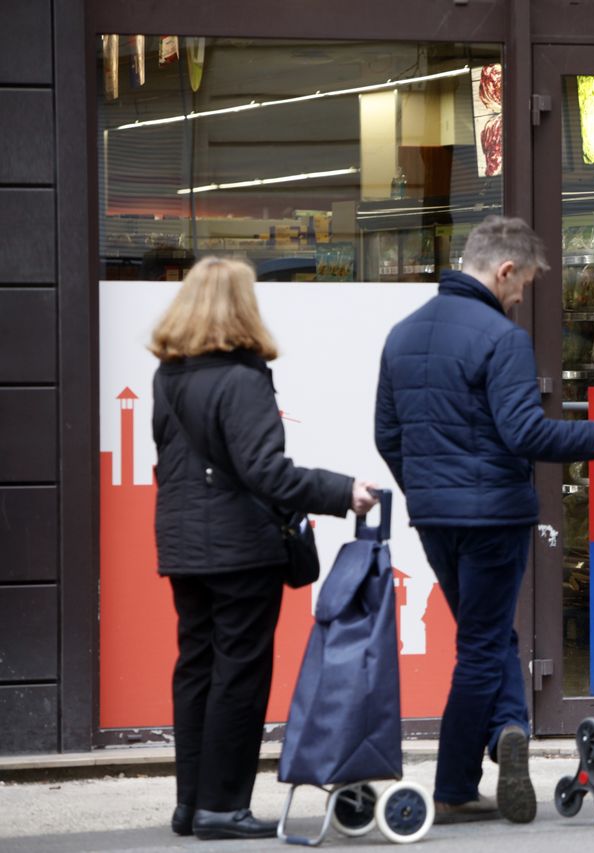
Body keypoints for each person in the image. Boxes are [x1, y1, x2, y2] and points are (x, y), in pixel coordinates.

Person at [375, 216, 594, 824]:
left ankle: (508, 726)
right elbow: (526, 433)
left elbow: (386, 435)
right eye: (522, 283)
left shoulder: (401, 335)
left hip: (436, 519)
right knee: (480, 646)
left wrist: (429, 490)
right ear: (503, 270)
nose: (521, 296)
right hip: (494, 517)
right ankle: (453, 786)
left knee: (488, 630)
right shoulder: (501, 339)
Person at [149, 257, 380, 840]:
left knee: (196, 667)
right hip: (238, 549)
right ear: (242, 307)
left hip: (182, 544)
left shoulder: (168, 376)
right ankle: (223, 807)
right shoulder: (243, 378)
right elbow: (266, 474)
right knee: (239, 673)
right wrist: (341, 491)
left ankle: (191, 803)